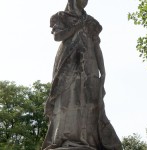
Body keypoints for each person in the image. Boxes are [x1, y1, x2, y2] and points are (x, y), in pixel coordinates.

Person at [42, 0, 122, 149]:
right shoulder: (61, 16)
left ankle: (87, 139)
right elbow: (58, 36)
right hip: (68, 60)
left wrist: (102, 70)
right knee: (67, 97)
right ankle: (63, 138)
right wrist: (77, 26)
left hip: (90, 62)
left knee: (88, 100)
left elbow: (96, 45)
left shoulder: (91, 22)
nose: (85, 1)